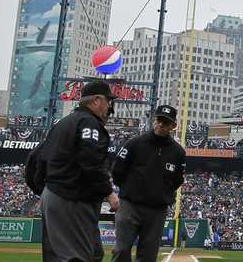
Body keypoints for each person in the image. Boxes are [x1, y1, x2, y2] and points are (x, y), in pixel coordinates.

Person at [40, 80, 120, 262]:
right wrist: (109, 193)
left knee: (86, 254)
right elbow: (91, 162)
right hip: (71, 198)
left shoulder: (62, 123)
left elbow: (37, 159)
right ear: (97, 100)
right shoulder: (89, 123)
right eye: (108, 101)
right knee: (76, 257)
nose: (109, 106)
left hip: (53, 194)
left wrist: (44, 191)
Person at [110, 104, 187, 262]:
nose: (161, 124)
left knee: (148, 256)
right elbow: (117, 169)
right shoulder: (135, 143)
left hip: (157, 210)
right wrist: (128, 190)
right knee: (121, 250)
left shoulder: (178, 152)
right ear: (154, 120)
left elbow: (178, 180)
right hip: (130, 205)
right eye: (159, 120)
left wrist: (161, 193)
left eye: (166, 122)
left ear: (173, 126)